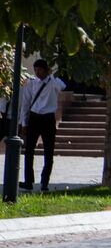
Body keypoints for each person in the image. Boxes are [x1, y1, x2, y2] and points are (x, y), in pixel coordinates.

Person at [17, 59, 64, 192]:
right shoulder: (31, 83)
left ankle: (44, 182)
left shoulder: (54, 82)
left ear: (46, 70)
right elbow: (26, 104)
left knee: (48, 152)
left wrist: (50, 76)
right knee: (29, 150)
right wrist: (24, 123)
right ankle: (28, 181)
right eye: (36, 69)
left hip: (48, 118)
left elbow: (62, 87)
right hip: (34, 117)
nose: (37, 72)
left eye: (40, 70)